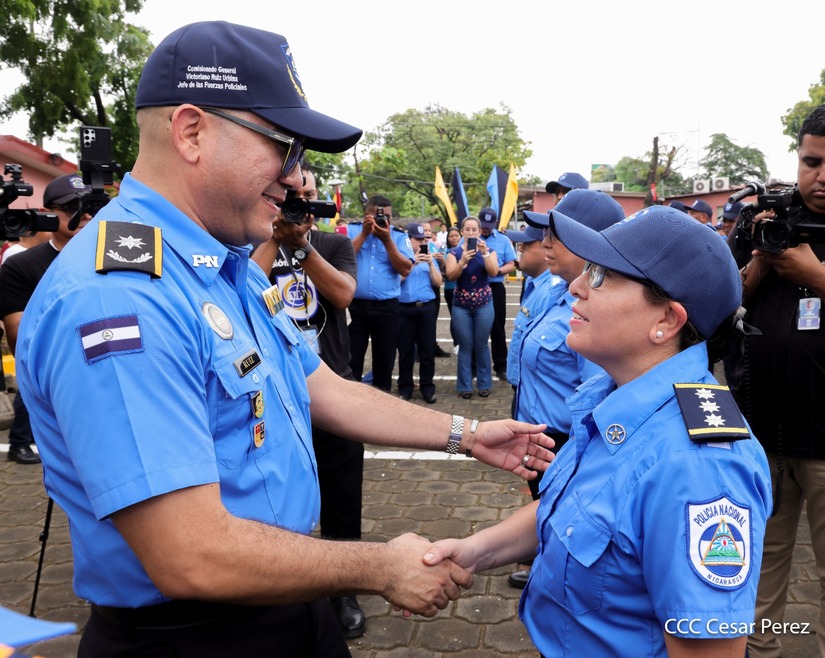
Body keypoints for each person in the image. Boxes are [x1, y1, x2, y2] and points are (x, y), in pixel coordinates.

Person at [14, 21, 555, 658]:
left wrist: (464, 434)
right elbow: (190, 554)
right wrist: (379, 568)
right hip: (195, 636)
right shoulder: (121, 294)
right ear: (191, 132)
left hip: (284, 601)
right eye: (284, 148)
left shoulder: (221, 264)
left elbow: (316, 384)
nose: (297, 177)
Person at [424, 205, 773, 657]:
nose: (575, 287)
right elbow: (575, 512)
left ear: (666, 321)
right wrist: (475, 551)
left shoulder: (700, 469)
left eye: (603, 276)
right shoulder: (612, 395)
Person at [250, 163, 367, 638]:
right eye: (289, 197)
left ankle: (343, 588)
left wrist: (303, 247)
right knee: (275, 490)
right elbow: (244, 291)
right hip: (270, 390)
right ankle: (281, 579)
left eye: (308, 196)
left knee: (342, 494)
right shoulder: (256, 243)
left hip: (331, 383)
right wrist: (276, 239)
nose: (299, 206)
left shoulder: (335, 245)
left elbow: (342, 295)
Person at [729, 105, 825, 658]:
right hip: (764, 434)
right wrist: (762, 261)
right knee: (760, 572)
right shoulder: (768, 219)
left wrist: (816, 277)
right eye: (811, 162)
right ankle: (761, 650)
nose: (822, 177)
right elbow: (720, 310)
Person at [506, 190, 625, 590]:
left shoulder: (596, 306)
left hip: (569, 442)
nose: (544, 244)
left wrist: (576, 460)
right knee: (543, 507)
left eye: (555, 236)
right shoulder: (552, 290)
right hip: (537, 430)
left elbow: (598, 396)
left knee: (569, 521)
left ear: (589, 241)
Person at [0, 173, 92, 465]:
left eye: (91, 205)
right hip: (59, 384)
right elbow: (22, 343)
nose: (84, 214)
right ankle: (19, 442)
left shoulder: (121, 256)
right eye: (71, 207)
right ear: (47, 213)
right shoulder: (21, 266)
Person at [346, 195, 413, 391]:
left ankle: (382, 405)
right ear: (367, 215)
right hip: (355, 307)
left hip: (387, 308)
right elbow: (341, 257)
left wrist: (387, 241)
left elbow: (405, 269)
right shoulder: (352, 230)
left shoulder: (399, 236)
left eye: (389, 216)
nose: (385, 220)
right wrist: (364, 234)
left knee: (384, 362)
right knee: (351, 359)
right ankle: (350, 407)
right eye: (378, 216)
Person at [445, 216, 498, 399]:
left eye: (474, 229)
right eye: (467, 229)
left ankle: (484, 384)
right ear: (462, 232)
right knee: (465, 345)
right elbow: (451, 276)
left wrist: (483, 253)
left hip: (484, 304)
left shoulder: (489, 250)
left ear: (479, 231)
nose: (471, 233)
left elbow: (494, 272)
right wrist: (462, 262)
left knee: (482, 345)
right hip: (461, 305)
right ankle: (464, 387)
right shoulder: (453, 253)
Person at [397, 222, 442, 403]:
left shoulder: (430, 257)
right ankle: (405, 386)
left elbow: (438, 282)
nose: (421, 243)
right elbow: (397, 280)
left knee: (427, 350)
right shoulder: (402, 257)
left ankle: (427, 387)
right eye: (417, 239)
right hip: (405, 308)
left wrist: (431, 264)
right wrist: (413, 262)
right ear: (409, 240)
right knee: (406, 351)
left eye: (424, 239)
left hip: (426, 307)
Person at [477, 207, 517, 381]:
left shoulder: (503, 240)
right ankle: (473, 366)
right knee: (474, 329)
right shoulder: (471, 239)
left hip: (495, 288)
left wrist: (497, 271)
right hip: (474, 287)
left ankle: (501, 365)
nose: (486, 229)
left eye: (489, 225)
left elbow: (512, 263)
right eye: (483, 225)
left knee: (498, 327)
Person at [443, 226, 461, 352]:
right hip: (450, 287)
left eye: (456, 235)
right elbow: (443, 272)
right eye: (451, 236)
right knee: (454, 316)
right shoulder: (446, 252)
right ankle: (457, 343)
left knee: (463, 316)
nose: (454, 238)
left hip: (464, 287)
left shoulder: (465, 250)